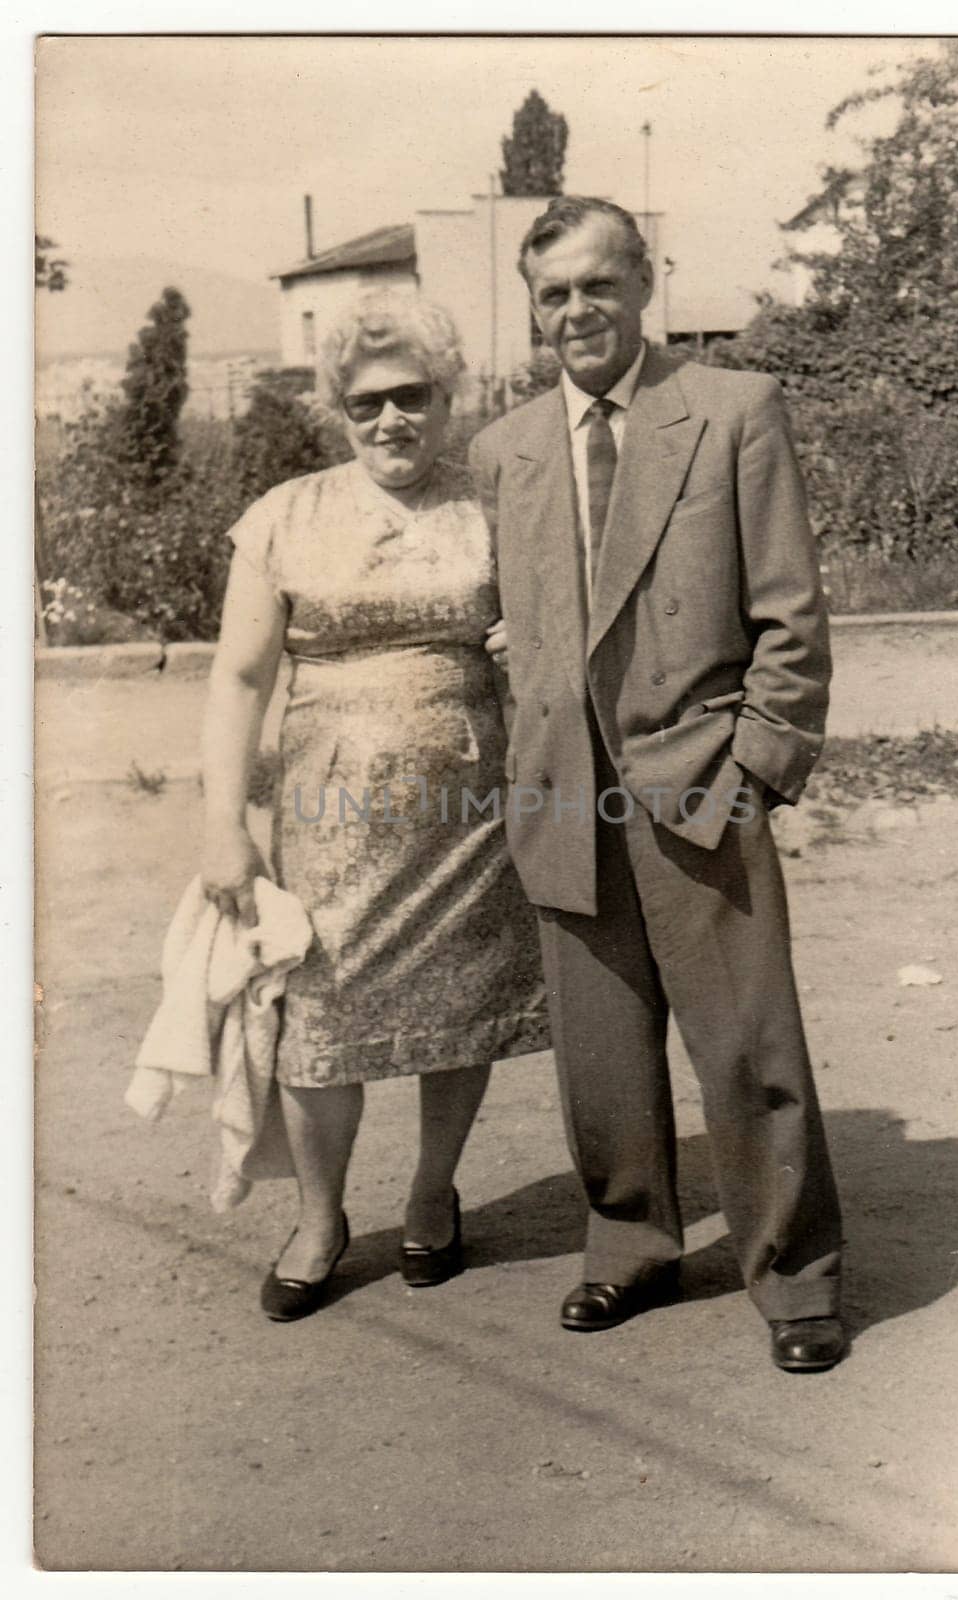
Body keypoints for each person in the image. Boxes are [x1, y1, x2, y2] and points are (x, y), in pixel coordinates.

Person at [469, 197, 845, 1372]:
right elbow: (524, 618)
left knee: (746, 1041)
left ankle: (796, 1275)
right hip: (563, 793)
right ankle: (627, 1243)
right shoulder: (507, 449)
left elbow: (790, 610)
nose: (577, 312)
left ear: (644, 287)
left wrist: (759, 765)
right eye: (553, 294)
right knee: (601, 1050)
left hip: (698, 777)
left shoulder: (734, 411)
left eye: (597, 285)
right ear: (533, 311)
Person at [201, 289, 547, 1321]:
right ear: (338, 412)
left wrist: (526, 639)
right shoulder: (285, 516)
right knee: (316, 1020)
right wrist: (224, 821)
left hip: (470, 816)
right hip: (325, 824)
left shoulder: (495, 506)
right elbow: (238, 679)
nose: (391, 420)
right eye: (367, 404)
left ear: (449, 397)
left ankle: (434, 1191)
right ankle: (320, 1216)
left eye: (413, 396)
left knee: (466, 1005)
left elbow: (553, 636)